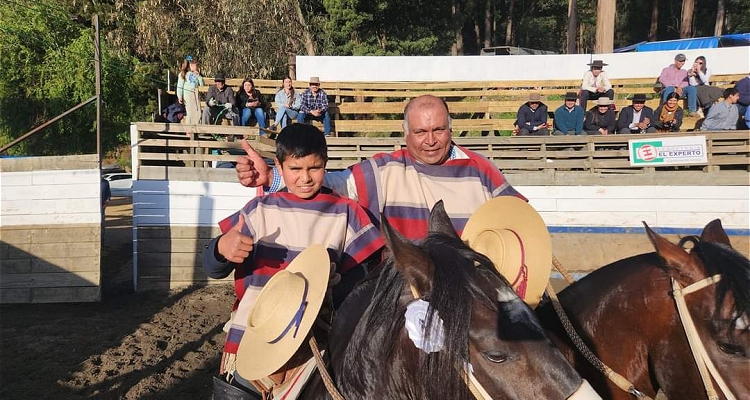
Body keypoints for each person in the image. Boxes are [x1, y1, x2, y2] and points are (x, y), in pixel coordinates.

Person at [203, 123, 384, 396]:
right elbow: (213, 267)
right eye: (295, 169)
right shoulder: (259, 209)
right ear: (279, 165)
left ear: (326, 162)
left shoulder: (346, 213)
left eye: (314, 168)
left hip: (315, 344)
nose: (305, 178)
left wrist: (331, 285)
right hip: (255, 336)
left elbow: (363, 280)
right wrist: (221, 248)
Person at [234, 95, 525, 240]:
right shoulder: (387, 170)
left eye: (438, 130)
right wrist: (273, 177)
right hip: (404, 295)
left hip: (471, 293)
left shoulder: (480, 170)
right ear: (405, 133)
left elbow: (519, 220)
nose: (431, 141)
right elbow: (329, 181)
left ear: (451, 129)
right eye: (421, 132)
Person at [658, 53, 700, 117]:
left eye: (683, 61)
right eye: (680, 61)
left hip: (679, 92)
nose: (682, 63)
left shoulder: (684, 71)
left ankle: (692, 110)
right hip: (668, 91)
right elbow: (662, 79)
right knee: (670, 88)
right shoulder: (666, 70)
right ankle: (665, 109)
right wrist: (675, 87)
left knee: (692, 88)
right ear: (675, 61)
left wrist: (680, 87)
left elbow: (686, 83)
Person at [176, 55, 204, 125]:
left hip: (196, 94)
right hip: (188, 95)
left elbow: (202, 85)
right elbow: (180, 86)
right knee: (190, 112)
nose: (196, 66)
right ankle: (189, 130)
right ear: (190, 65)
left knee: (198, 112)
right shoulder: (183, 74)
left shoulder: (196, 74)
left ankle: (197, 128)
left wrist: (199, 76)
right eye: (195, 64)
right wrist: (180, 96)